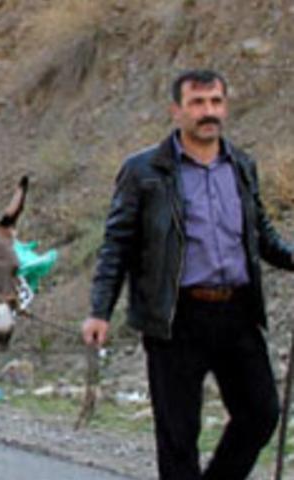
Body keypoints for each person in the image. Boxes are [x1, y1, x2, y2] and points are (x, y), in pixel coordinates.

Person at [82, 69, 294, 480]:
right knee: (178, 437)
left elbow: (262, 235)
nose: (207, 112)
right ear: (176, 111)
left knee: (261, 413)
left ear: (225, 107)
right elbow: (117, 244)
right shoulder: (145, 171)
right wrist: (99, 311)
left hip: (237, 313)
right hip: (175, 318)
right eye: (197, 103)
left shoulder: (241, 165)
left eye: (215, 101)